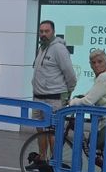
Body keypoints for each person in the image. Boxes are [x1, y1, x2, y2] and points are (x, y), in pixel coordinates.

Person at [30, 19, 77, 162]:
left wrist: (67, 93)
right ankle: (43, 159)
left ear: (53, 32)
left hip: (54, 99)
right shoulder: (41, 48)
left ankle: (54, 163)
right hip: (38, 98)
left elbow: (70, 74)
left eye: (47, 31)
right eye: (41, 31)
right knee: (40, 130)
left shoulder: (59, 49)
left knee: (52, 132)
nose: (43, 34)